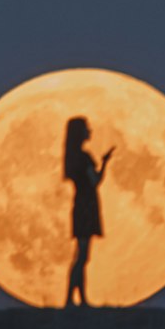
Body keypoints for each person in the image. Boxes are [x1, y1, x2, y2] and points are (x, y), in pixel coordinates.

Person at [63, 116, 114, 308]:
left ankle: (79, 299)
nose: (90, 131)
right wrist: (105, 163)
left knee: (81, 255)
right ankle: (71, 299)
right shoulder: (84, 157)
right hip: (87, 206)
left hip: (80, 205)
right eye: (87, 128)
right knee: (83, 256)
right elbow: (95, 181)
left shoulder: (73, 157)